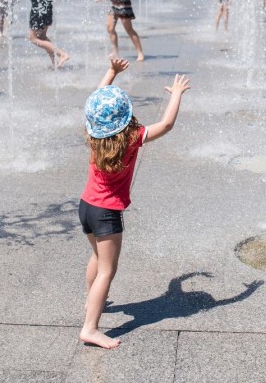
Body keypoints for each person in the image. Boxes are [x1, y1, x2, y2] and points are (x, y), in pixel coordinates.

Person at [79, 58, 190, 349]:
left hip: (86, 207)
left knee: (97, 258)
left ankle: (92, 301)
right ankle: (90, 328)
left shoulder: (93, 136)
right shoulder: (131, 139)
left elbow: (94, 102)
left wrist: (111, 72)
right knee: (107, 270)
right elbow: (166, 124)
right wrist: (177, 94)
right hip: (106, 214)